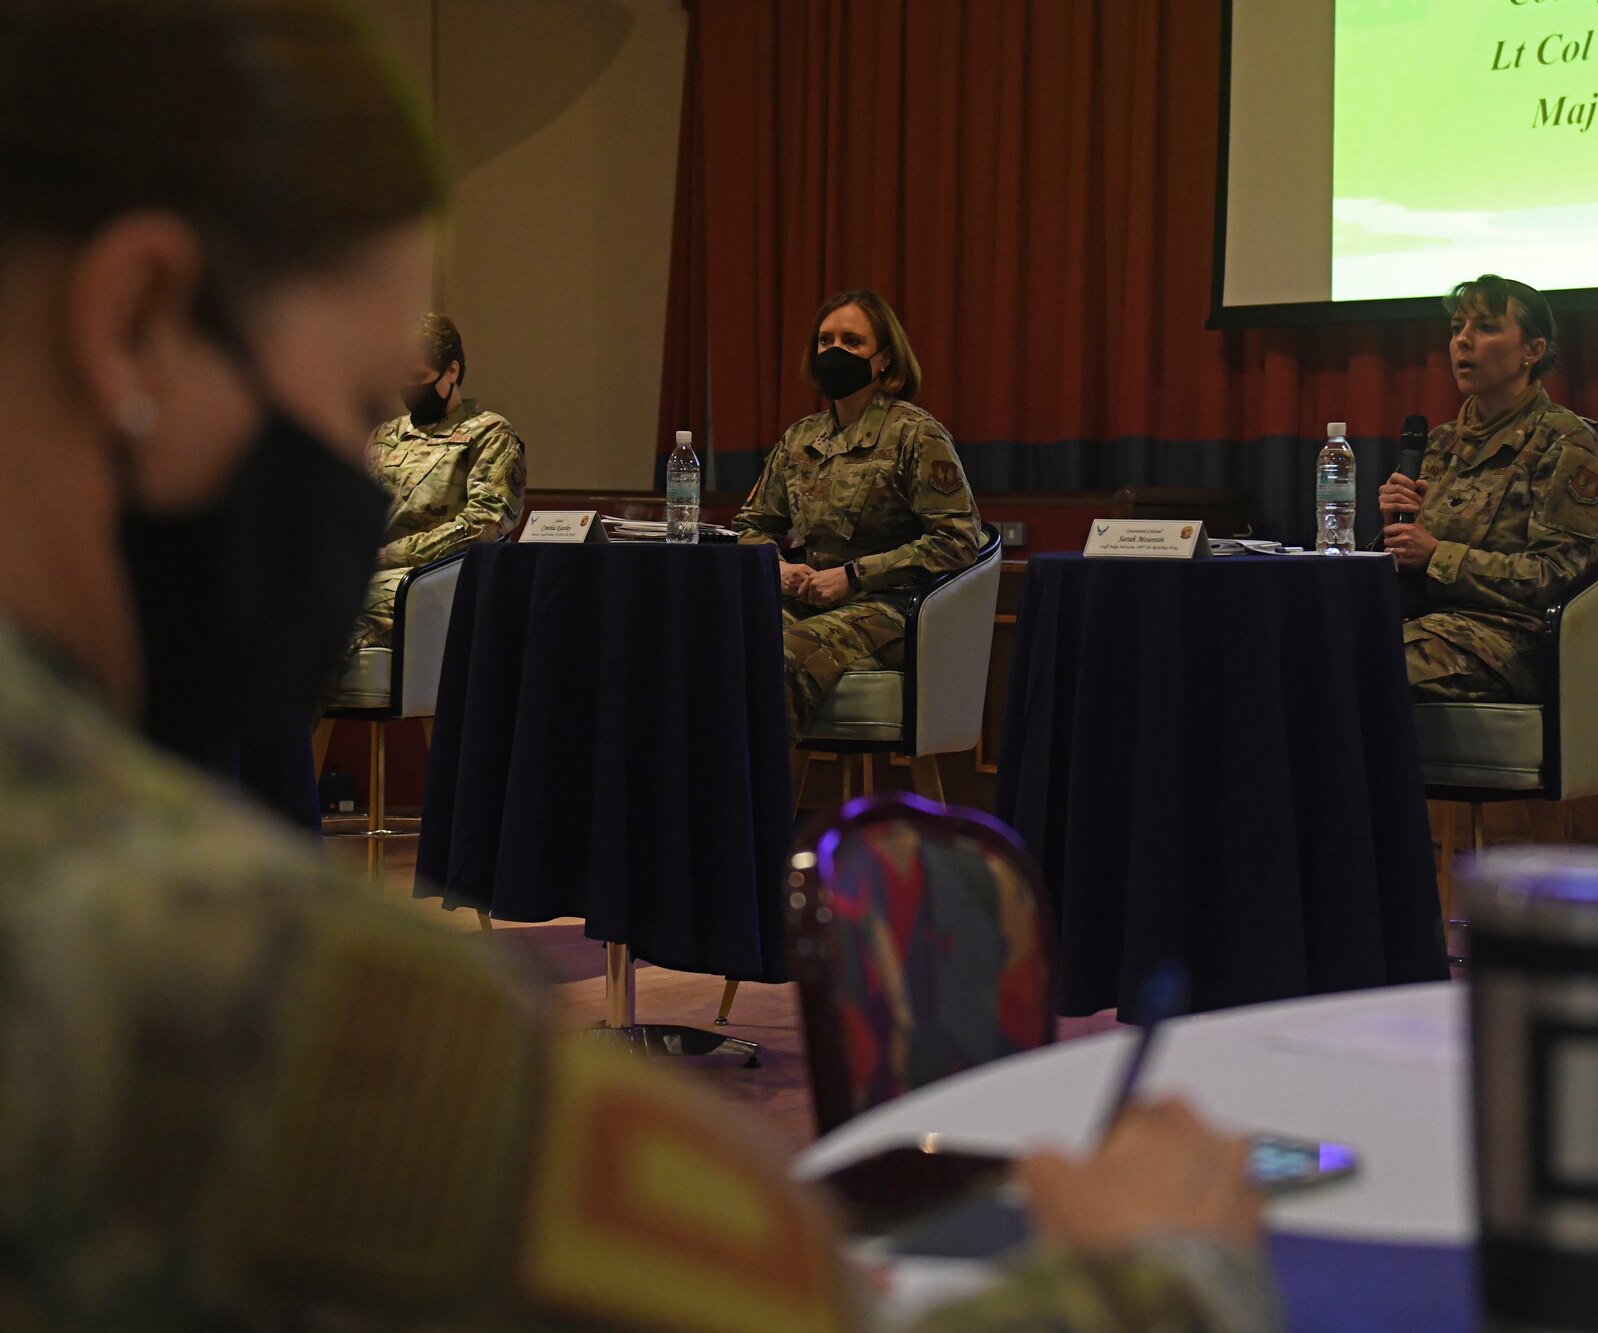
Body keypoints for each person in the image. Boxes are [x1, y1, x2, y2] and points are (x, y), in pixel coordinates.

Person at [0, 3, 1274, 1329]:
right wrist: (1164, 1268)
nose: (355, 464)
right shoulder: (290, 1009)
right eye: (342, 403)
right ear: (134, 329)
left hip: (874, 615)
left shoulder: (914, 436)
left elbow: (953, 548)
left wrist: (842, 577)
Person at [733, 290, 983, 736]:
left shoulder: (915, 434)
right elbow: (751, 525)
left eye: (852, 342)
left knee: (781, 654)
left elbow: (957, 540)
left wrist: (853, 575)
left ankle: (760, 801)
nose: (835, 352)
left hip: (891, 609)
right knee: (725, 641)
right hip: (807, 599)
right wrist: (777, 566)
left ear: (884, 358)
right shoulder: (799, 438)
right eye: (825, 341)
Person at [1377, 274, 1598, 702]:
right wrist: (1393, 535)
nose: (1463, 341)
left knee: (1360, 666)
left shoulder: (1567, 444)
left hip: (1507, 641)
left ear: (1532, 351)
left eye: (1486, 327)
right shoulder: (1438, 444)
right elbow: (1409, 567)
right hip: (1424, 623)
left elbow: (1556, 576)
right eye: (1457, 328)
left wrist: (1437, 555)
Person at [343, 310, 525, 669]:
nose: (409, 389)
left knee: (341, 612)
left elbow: (483, 526)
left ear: (452, 371)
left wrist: (392, 555)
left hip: (436, 582)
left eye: (419, 377)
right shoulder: (385, 436)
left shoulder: (488, 434)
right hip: (373, 573)